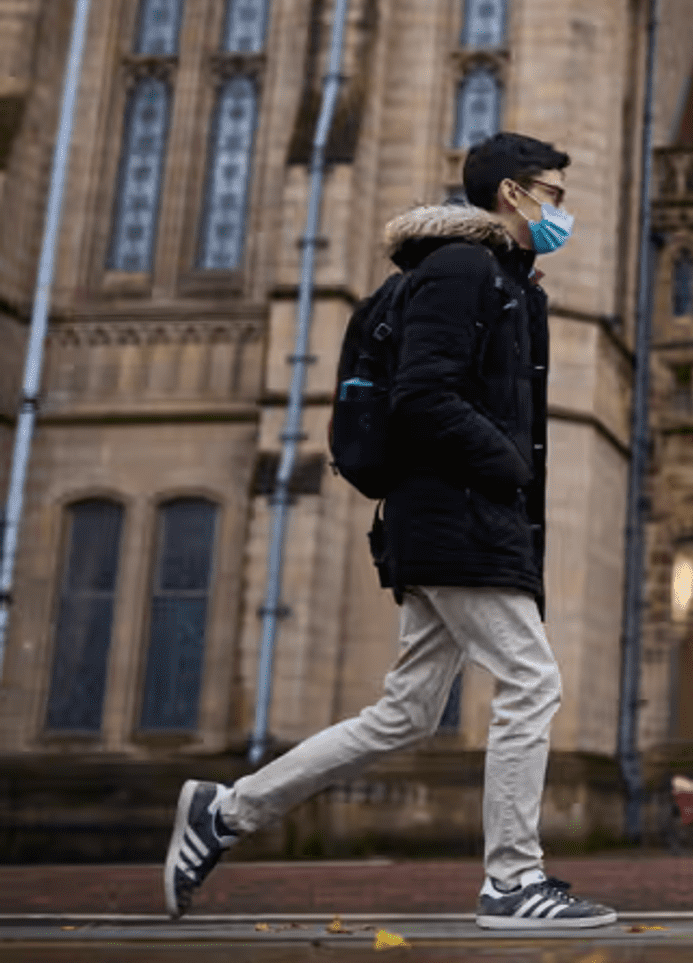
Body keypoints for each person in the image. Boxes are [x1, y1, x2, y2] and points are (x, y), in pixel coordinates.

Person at [164, 132, 616, 931]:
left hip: (456, 518)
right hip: (456, 516)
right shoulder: (462, 271)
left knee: (404, 714)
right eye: (553, 193)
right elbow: (423, 396)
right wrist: (508, 466)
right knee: (532, 681)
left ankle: (224, 813)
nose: (561, 211)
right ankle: (513, 881)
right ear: (512, 194)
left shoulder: (502, 280)